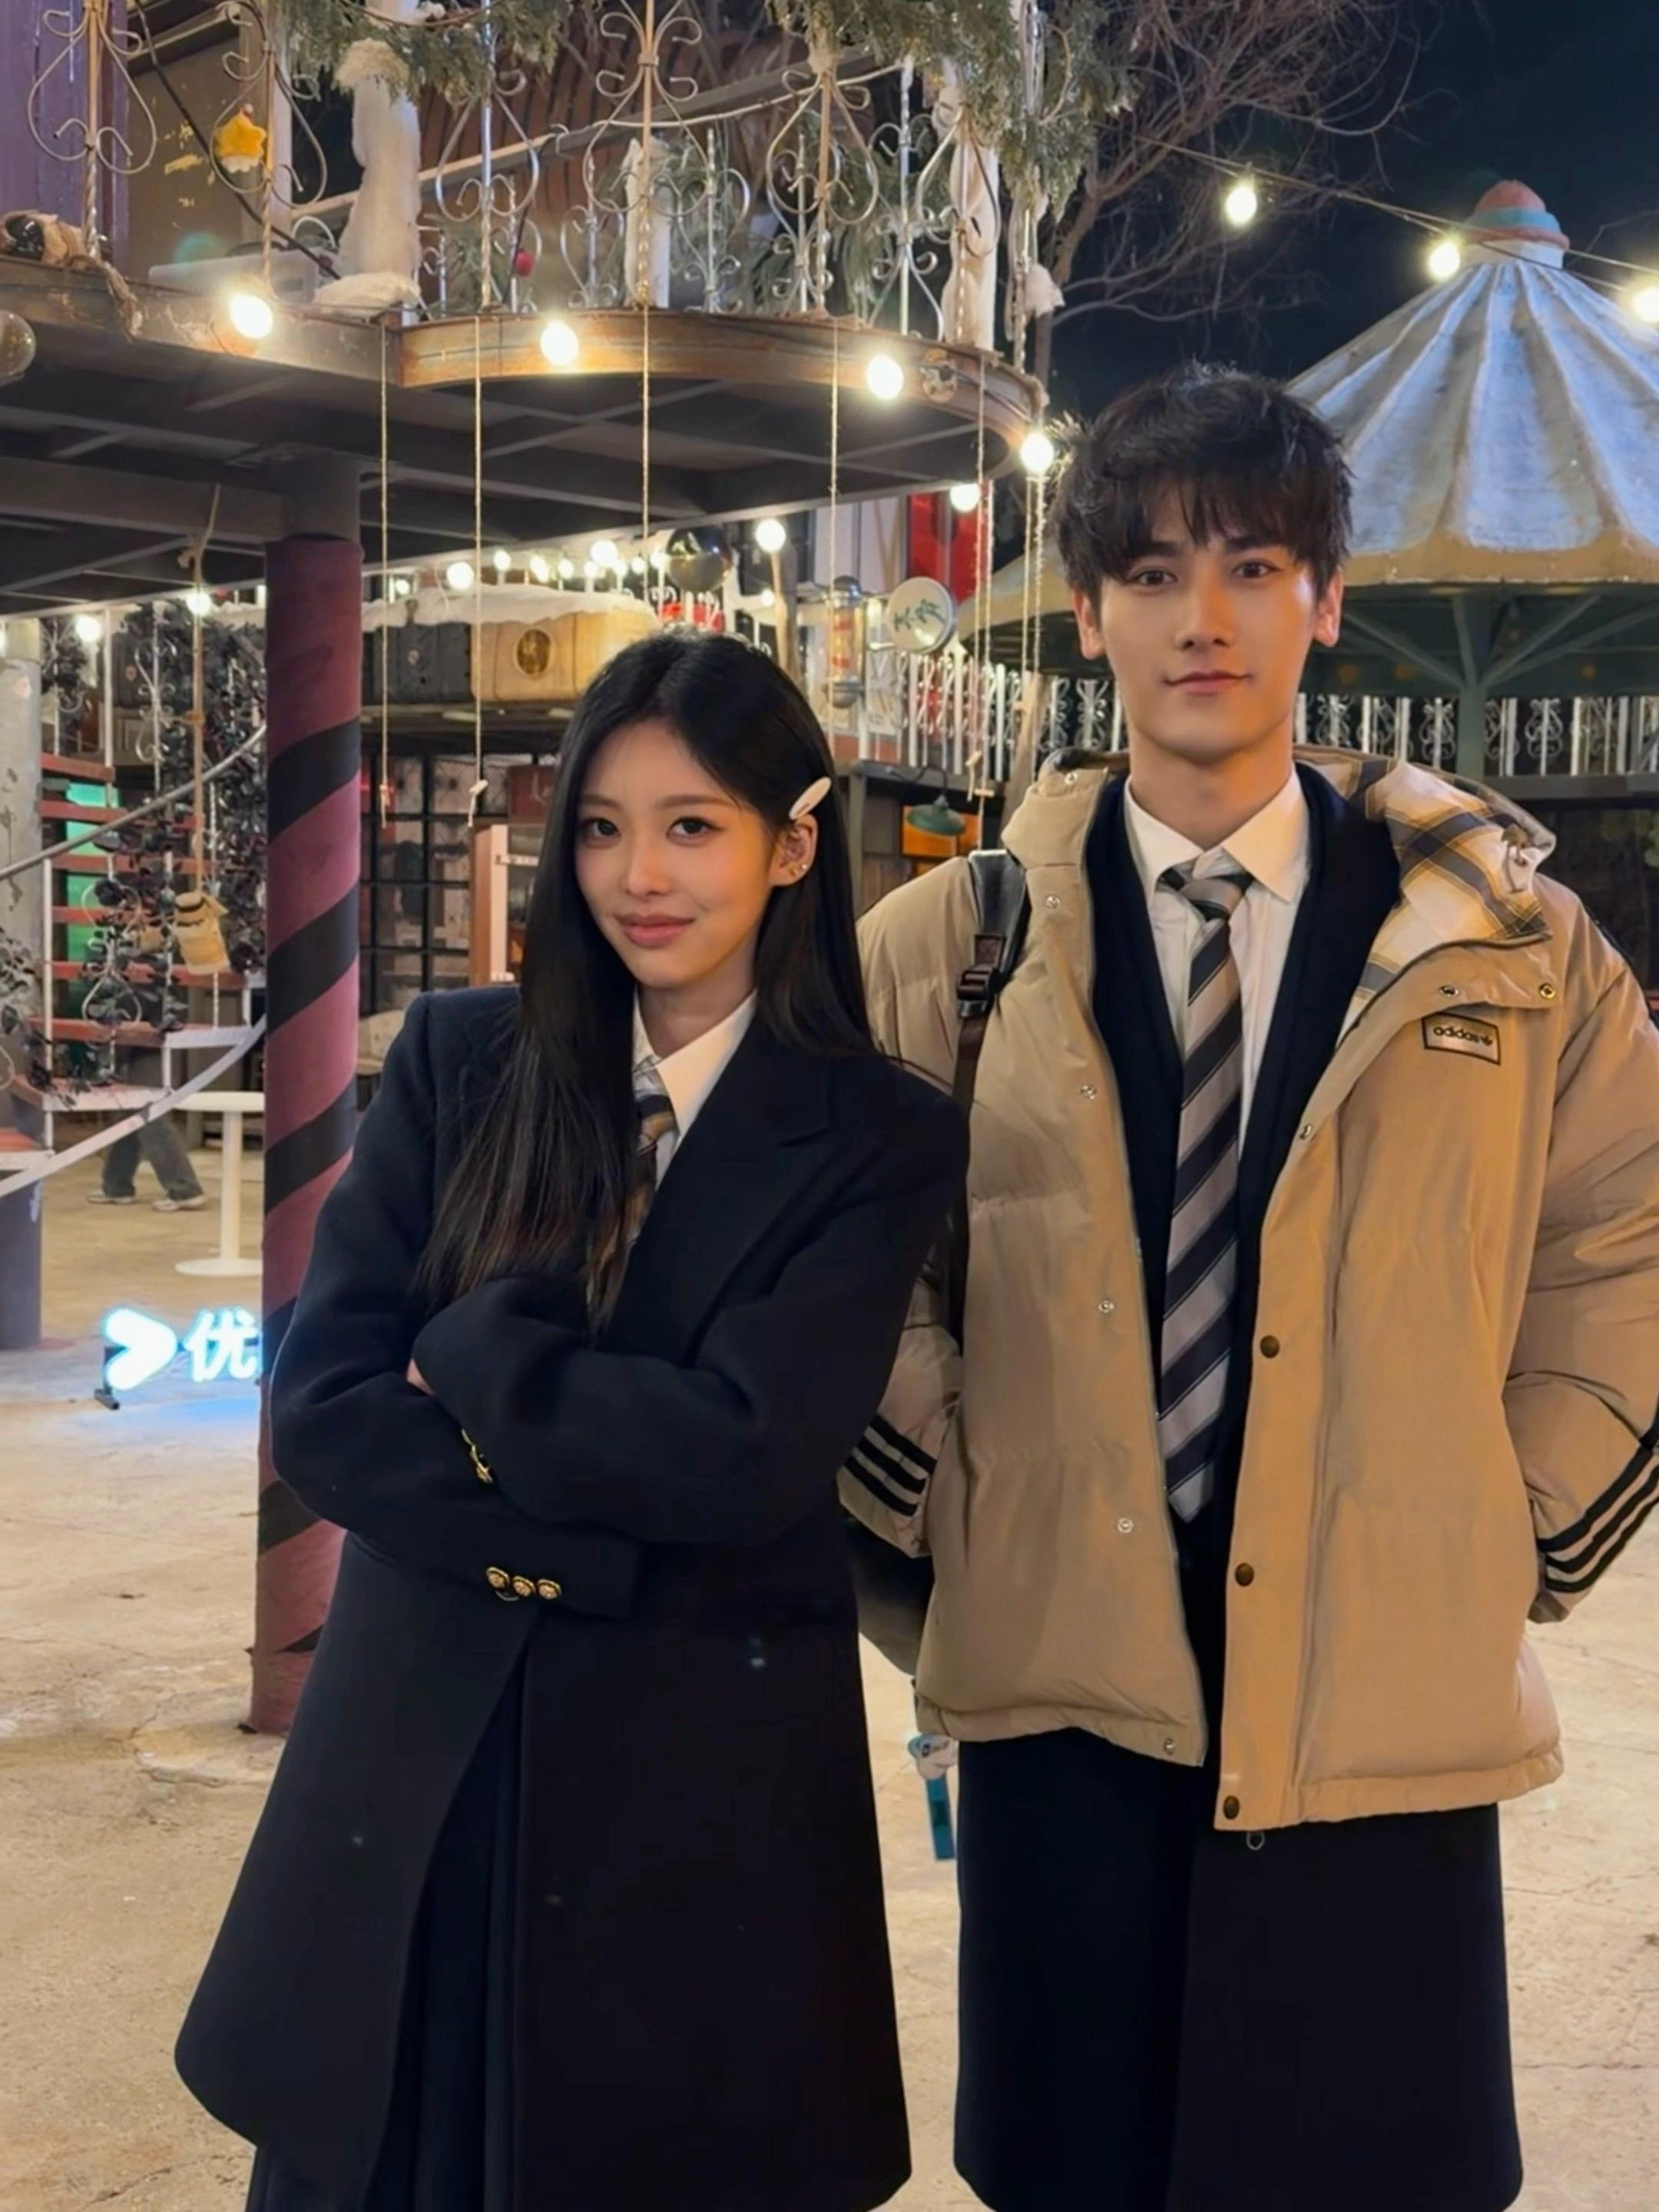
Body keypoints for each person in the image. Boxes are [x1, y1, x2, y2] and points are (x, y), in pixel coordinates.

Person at [846, 364, 1659, 2212]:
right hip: (1067, 1690)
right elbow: (837, 1255)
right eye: (1149, 573)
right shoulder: (956, 941)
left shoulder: (1508, 946)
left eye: (1252, 564)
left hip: (1384, 1706)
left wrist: (1513, 1520)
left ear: (1325, 597)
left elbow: (1628, 1232)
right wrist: (965, 1485)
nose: (1199, 617)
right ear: (1089, 616)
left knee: (1368, 2162)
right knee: (1083, 2162)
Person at [177, 631, 965, 2212]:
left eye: (692, 826)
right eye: (601, 827)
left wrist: (471, 1354)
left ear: (791, 845)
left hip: (700, 1776)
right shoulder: (464, 1062)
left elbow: (749, 1455)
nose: (638, 876)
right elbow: (325, 1412)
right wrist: (608, 1526)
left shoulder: (875, 1132)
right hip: (423, 1752)